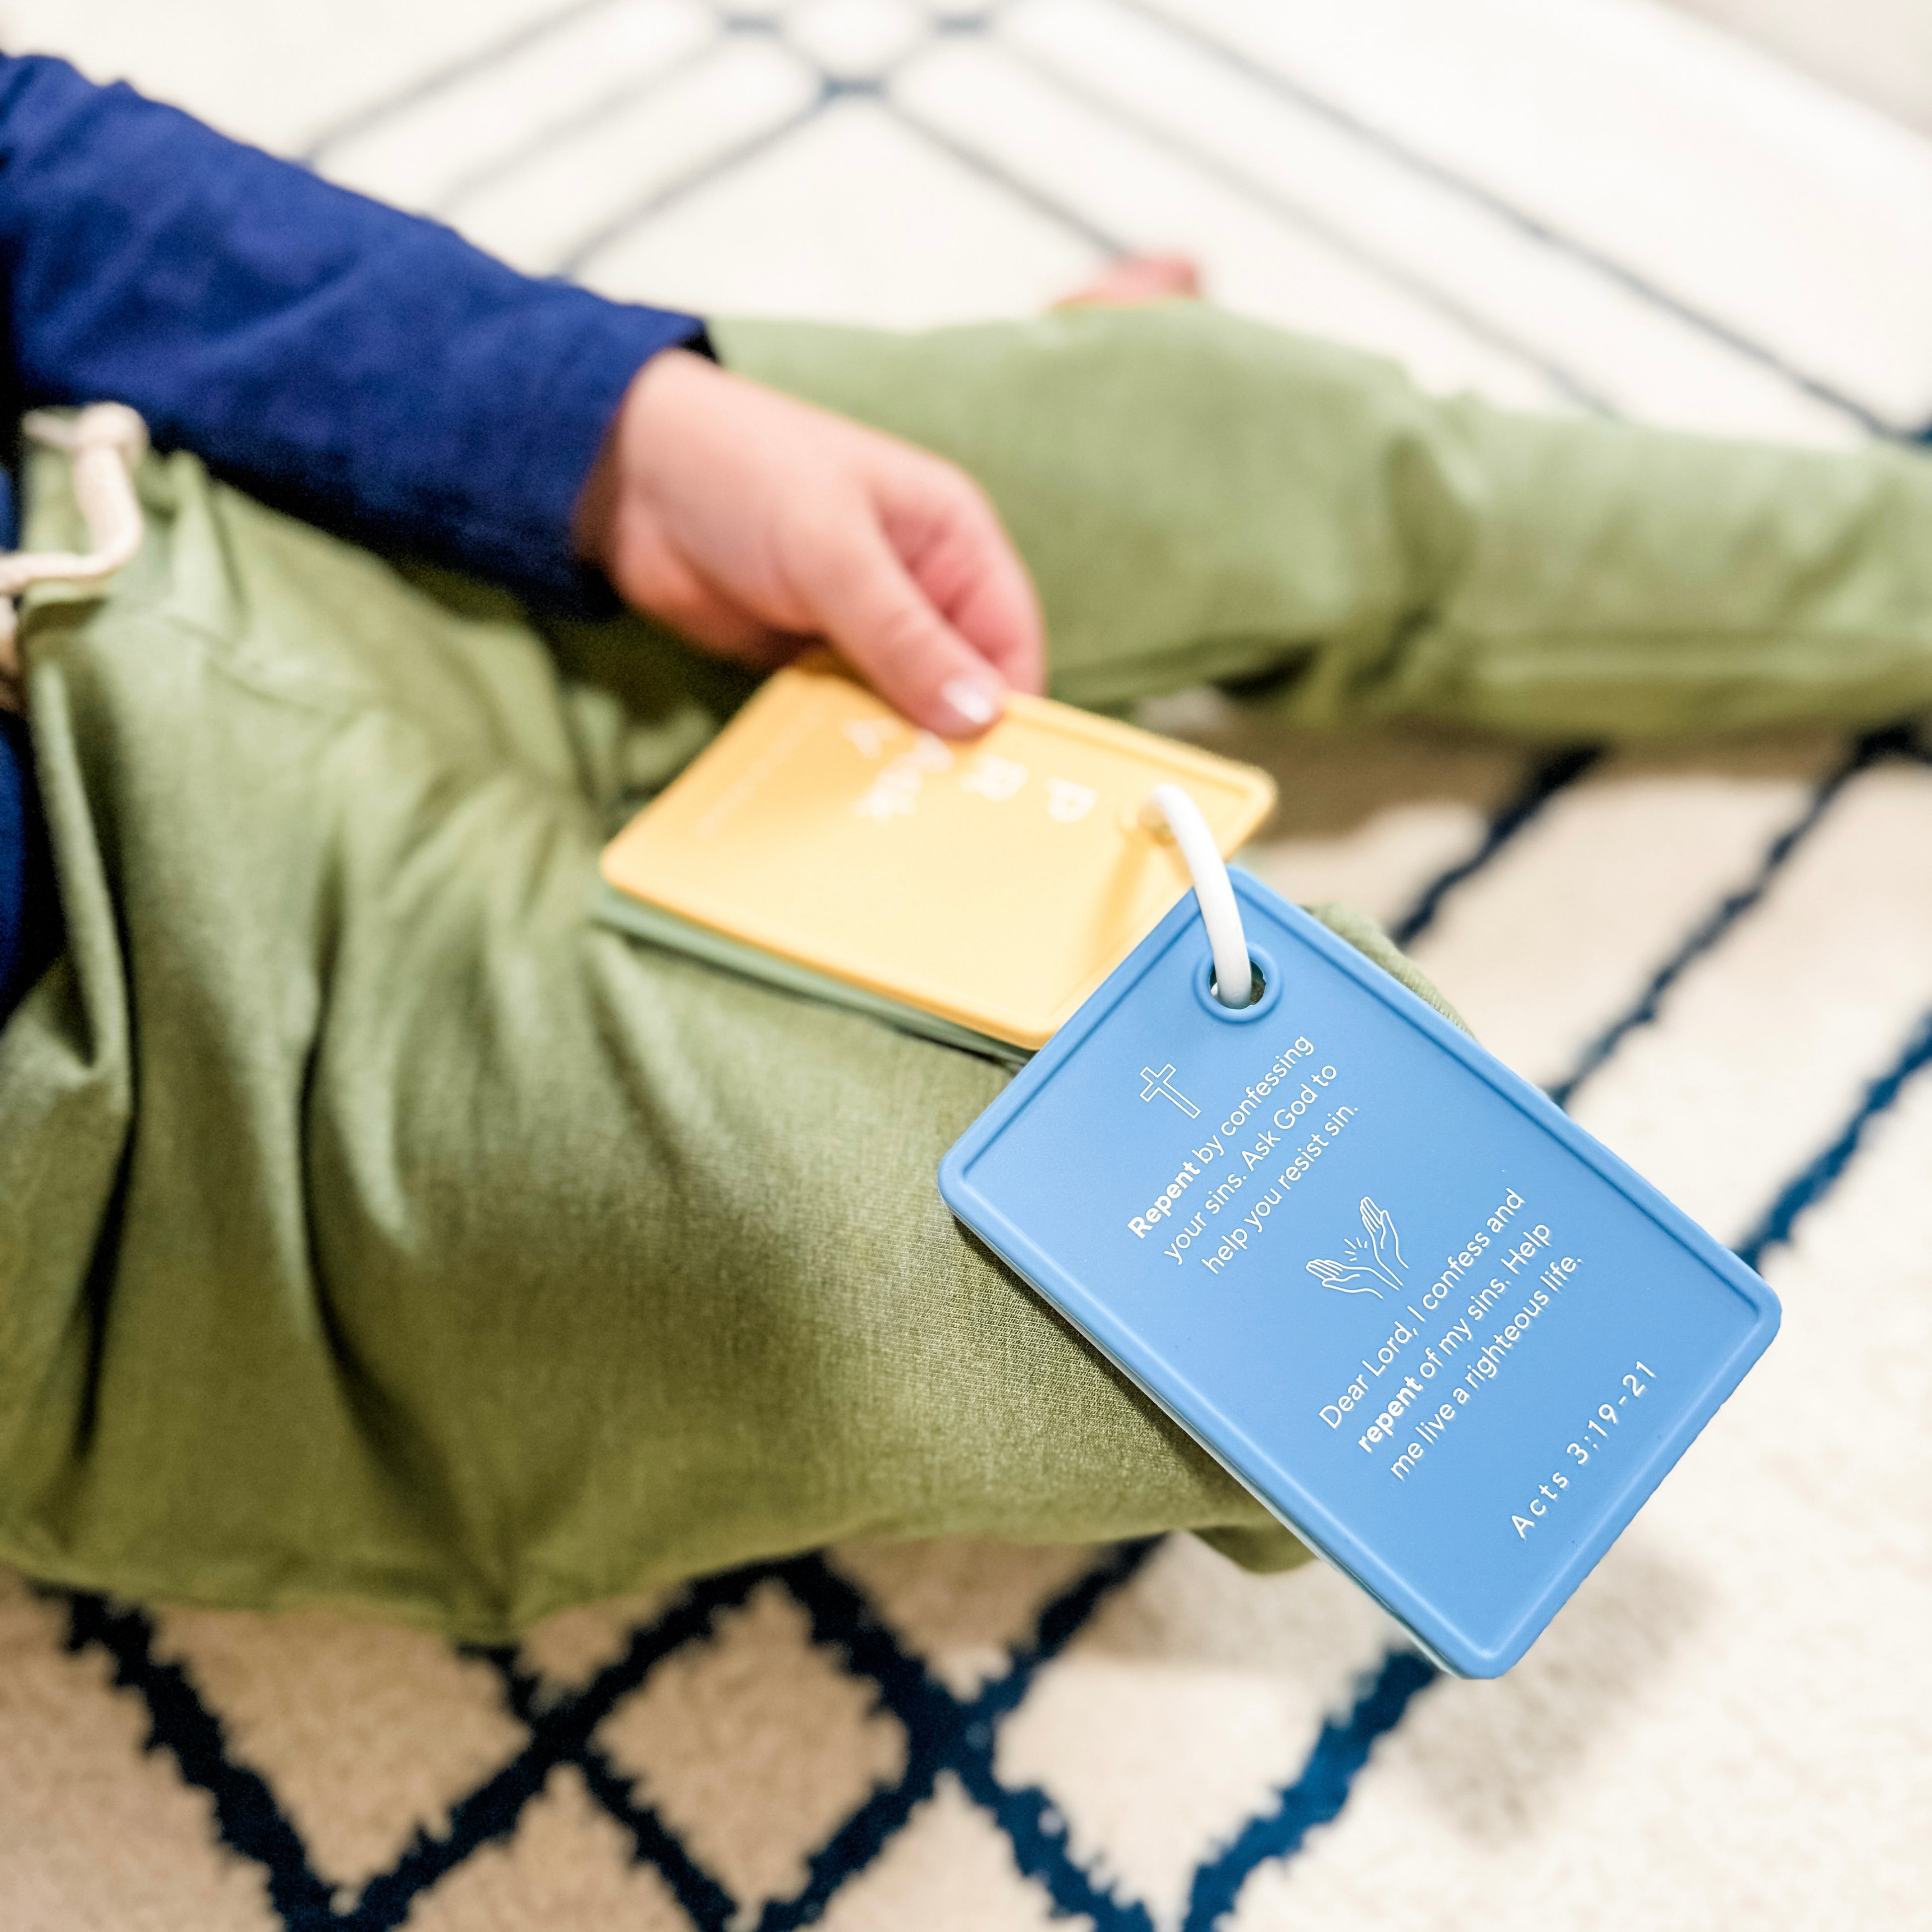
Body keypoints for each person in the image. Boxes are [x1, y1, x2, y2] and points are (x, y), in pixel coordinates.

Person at [3, 50, 1929, 1639]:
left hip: (269, 522)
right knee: (1048, 1288)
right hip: (157, 1133)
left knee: (1224, 440)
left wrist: (604, 426)